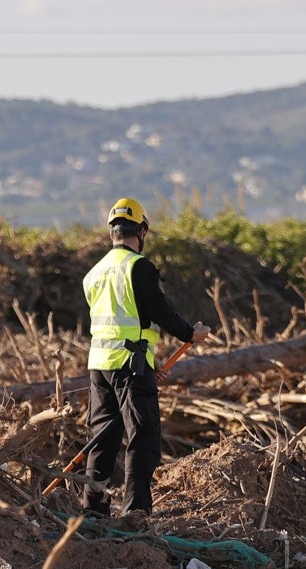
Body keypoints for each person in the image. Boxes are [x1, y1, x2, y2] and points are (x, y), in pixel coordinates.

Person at [80, 197, 212, 518]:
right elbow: (158, 312)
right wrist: (189, 334)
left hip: (101, 366)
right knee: (144, 437)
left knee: (103, 439)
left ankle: (93, 511)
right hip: (129, 367)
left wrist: (148, 360)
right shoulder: (139, 267)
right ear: (141, 231)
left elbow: (120, 323)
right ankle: (135, 514)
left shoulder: (93, 274)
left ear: (112, 232)